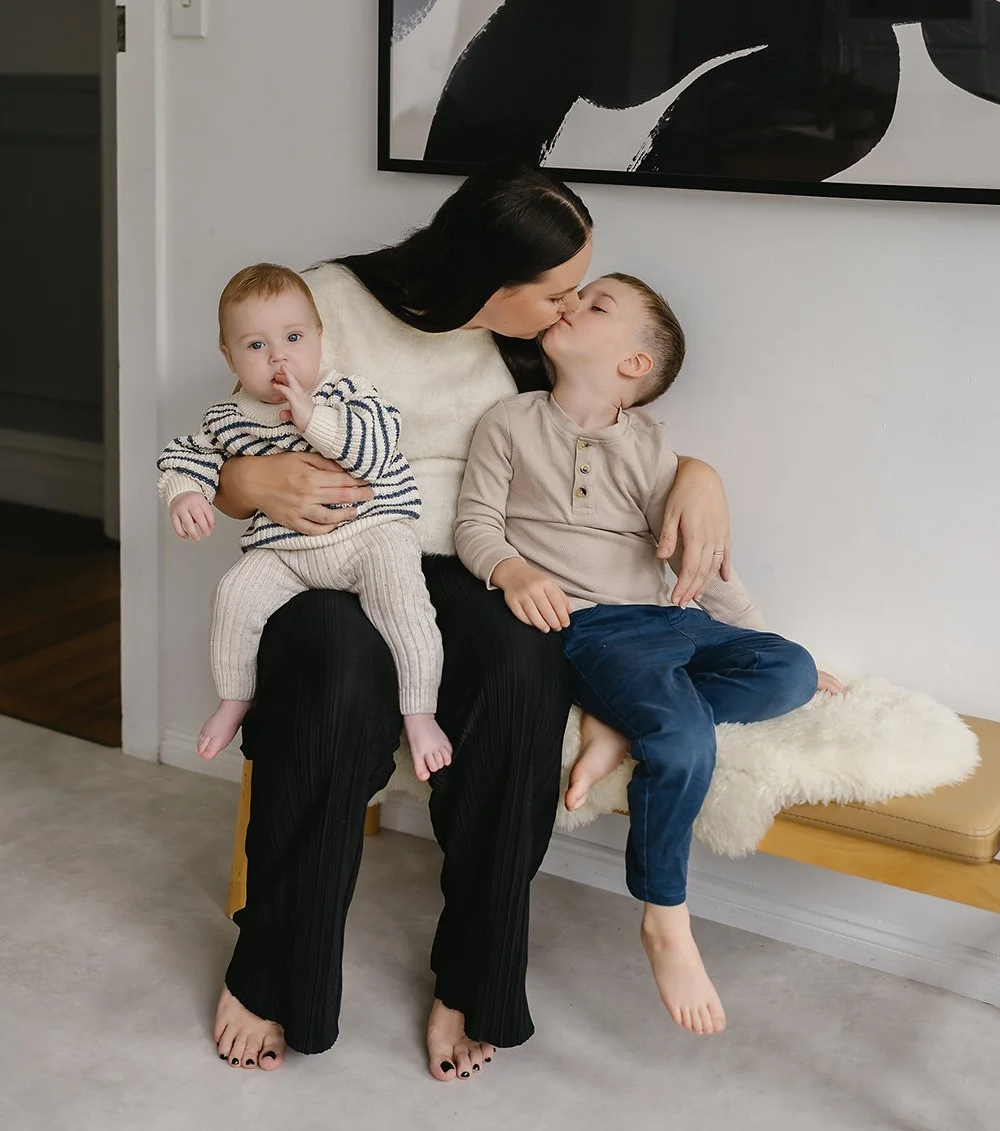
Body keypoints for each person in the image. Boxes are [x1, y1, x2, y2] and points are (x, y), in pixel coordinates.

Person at [210, 163, 739, 1079]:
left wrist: (702, 475)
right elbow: (229, 446)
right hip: (326, 554)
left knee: (522, 674)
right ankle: (273, 966)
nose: (567, 310)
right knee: (336, 681)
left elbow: (605, 433)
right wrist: (249, 482)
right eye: (557, 292)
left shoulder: (526, 346)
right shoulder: (327, 301)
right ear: (490, 279)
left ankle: (476, 975)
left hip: (464, 562)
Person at [455, 272, 838, 1038]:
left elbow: (702, 564)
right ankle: (666, 914)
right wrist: (513, 570)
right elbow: (474, 524)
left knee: (790, 669)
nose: (572, 304)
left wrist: (758, 635)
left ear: (633, 365)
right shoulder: (509, 422)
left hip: (668, 617)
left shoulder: (651, 448)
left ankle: (620, 726)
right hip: (591, 630)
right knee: (684, 737)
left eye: (596, 305)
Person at [156, 263, 451, 779]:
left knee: (403, 601)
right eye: (256, 345)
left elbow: (374, 453)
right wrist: (184, 493)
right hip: (285, 552)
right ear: (228, 356)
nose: (279, 357)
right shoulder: (228, 417)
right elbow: (187, 456)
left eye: (293, 338)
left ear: (319, 337)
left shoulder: (347, 394)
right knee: (233, 595)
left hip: (369, 536)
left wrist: (312, 417)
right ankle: (234, 699)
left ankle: (420, 712)